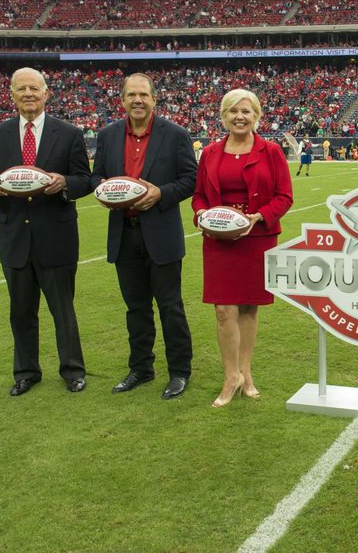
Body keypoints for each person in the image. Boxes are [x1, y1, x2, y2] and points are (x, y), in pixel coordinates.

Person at [0, 67, 91, 396]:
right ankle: (26, 371)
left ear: (46, 93)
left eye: (34, 89)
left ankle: (73, 369)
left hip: (56, 237)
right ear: (11, 94)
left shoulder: (68, 133)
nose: (28, 94)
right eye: (22, 88)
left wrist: (64, 183)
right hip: (15, 239)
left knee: (62, 309)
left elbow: (85, 179)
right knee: (21, 311)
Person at [91, 73, 198, 400]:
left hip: (161, 233)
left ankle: (179, 371)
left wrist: (160, 193)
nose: (137, 100)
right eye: (131, 95)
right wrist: (104, 191)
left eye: (143, 95)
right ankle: (141, 368)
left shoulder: (176, 135)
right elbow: (97, 175)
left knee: (170, 307)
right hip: (124, 233)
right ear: (121, 100)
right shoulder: (107, 135)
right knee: (135, 308)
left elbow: (191, 179)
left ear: (154, 99)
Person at [193, 89, 293, 407]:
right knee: (224, 311)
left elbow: (285, 196)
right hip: (220, 240)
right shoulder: (209, 153)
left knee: (249, 309)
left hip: (257, 238)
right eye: (233, 111)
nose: (240, 117)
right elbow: (199, 195)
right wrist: (201, 214)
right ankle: (230, 376)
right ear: (223, 116)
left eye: (246, 112)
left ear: (257, 116)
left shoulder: (272, 151)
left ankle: (245, 372)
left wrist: (259, 216)